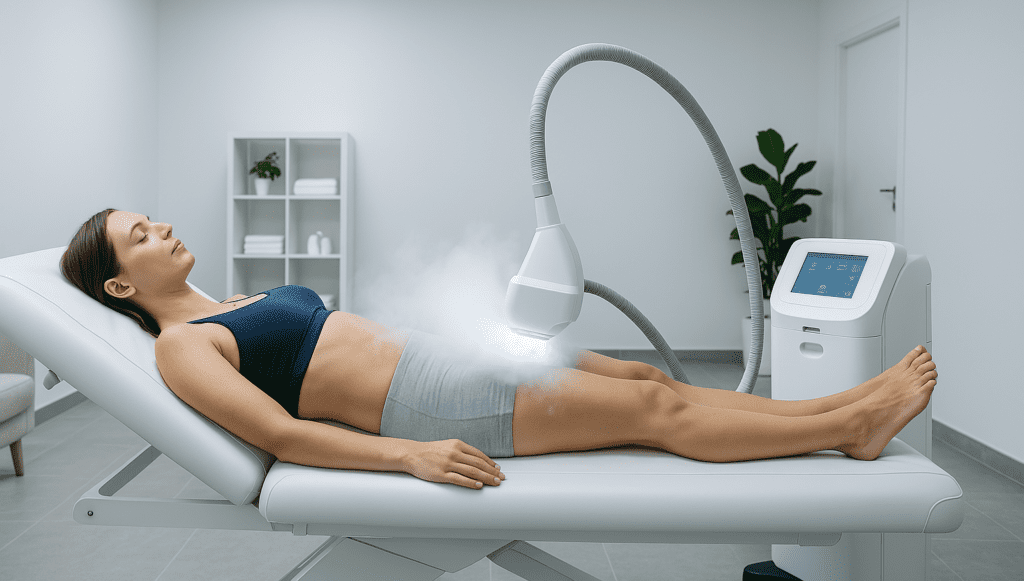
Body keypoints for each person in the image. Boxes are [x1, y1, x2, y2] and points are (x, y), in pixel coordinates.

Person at [60, 209, 937, 491]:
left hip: (449, 356)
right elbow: (280, 436)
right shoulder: (183, 347)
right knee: (653, 409)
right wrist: (409, 455)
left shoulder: (231, 302)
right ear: (121, 285)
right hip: (427, 400)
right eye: (142, 235)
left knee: (644, 374)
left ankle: (833, 406)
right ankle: (847, 429)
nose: (163, 228)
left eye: (154, 219)